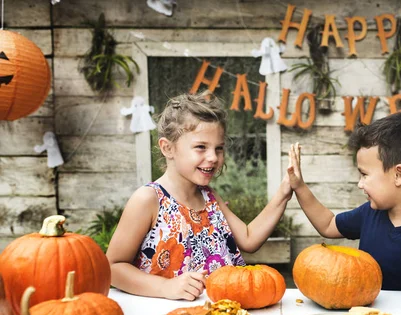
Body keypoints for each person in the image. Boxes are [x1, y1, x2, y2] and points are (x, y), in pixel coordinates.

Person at [107, 91, 292, 301]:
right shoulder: (149, 199)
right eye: (201, 147)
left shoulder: (211, 198)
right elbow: (114, 267)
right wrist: (165, 287)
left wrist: (284, 193)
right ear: (168, 148)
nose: (213, 157)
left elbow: (249, 239)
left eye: (219, 148)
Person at [287, 110, 401, 291]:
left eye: (364, 174)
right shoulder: (369, 214)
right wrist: (299, 187)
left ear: (398, 175)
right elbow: (328, 224)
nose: (360, 184)